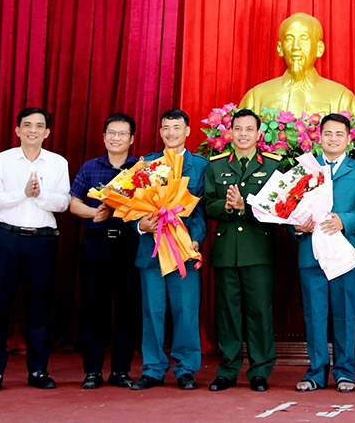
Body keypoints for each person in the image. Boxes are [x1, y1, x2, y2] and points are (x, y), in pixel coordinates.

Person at [0, 108, 71, 393]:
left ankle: (38, 370)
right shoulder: (2, 160)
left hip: (41, 242)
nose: (33, 130)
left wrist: (39, 194)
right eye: (27, 125)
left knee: (39, 309)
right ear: (17, 130)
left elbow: (62, 203)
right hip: (6, 240)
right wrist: (22, 193)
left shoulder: (58, 163)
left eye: (39, 126)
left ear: (47, 132)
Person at [204, 109, 283, 392]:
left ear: (259, 134)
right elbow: (206, 204)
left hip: (258, 250)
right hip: (226, 250)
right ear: (230, 132)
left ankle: (260, 370)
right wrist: (225, 206)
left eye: (249, 129)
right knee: (228, 313)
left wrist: (245, 207)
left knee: (260, 312)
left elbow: (278, 208)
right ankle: (227, 370)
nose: (243, 134)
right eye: (238, 129)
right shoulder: (215, 166)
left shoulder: (274, 166)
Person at [130, 109, 208, 391]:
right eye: (166, 128)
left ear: (188, 131)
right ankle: (152, 368)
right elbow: (128, 207)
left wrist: (196, 239)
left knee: (186, 310)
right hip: (151, 250)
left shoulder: (200, 166)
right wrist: (141, 225)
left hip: (183, 250)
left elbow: (201, 211)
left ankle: (186, 369)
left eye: (177, 127)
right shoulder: (146, 164)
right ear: (160, 131)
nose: (171, 132)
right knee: (152, 311)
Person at [293, 113, 355, 392]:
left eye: (339, 134)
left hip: (344, 254)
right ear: (319, 137)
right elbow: (290, 208)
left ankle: (345, 372)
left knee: (345, 315)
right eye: (328, 134)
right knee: (314, 316)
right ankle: (315, 373)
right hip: (311, 254)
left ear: (349, 139)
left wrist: (345, 221)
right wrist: (298, 226)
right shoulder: (305, 170)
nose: (333, 139)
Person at [69, 113, 141, 389]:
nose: (116, 138)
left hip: (128, 243)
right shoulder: (90, 167)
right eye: (111, 133)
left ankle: (121, 370)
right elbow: (73, 203)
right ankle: (92, 371)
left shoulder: (140, 169)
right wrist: (94, 213)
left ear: (131, 139)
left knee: (127, 308)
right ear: (104, 136)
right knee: (92, 307)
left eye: (122, 133)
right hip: (96, 243)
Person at [239, 13, 355, 116]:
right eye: (289, 39)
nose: (296, 47)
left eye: (304, 38)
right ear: (280, 48)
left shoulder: (341, 98)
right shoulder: (256, 98)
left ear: (319, 48)